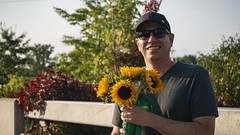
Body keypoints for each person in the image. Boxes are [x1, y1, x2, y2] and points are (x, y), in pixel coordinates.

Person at [110, 11, 218, 135]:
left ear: (171, 40)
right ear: (137, 44)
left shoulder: (195, 76)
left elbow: (206, 131)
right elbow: (116, 131)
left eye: (159, 33)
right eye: (144, 35)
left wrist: (151, 120)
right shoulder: (127, 83)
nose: (151, 39)